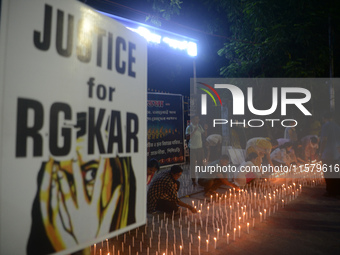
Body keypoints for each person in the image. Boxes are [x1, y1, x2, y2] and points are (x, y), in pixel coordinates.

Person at [319, 112, 340, 197]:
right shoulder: (337, 126)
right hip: (336, 153)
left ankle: (330, 191)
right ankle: (337, 190)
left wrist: (320, 152)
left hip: (327, 153)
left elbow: (324, 139)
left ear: (324, 118)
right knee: (335, 172)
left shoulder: (326, 126)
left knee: (328, 172)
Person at [186, 115, 205, 186]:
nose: (198, 120)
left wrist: (205, 129)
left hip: (200, 148)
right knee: (193, 165)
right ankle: (193, 180)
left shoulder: (199, 126)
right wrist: (194, 130)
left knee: (200, 164)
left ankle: (201, 178)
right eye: (196, 118)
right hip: (192, 148)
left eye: (198, 118)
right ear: (192, 120)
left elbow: (204, 134)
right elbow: (187, 137)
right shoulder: (189, 127)